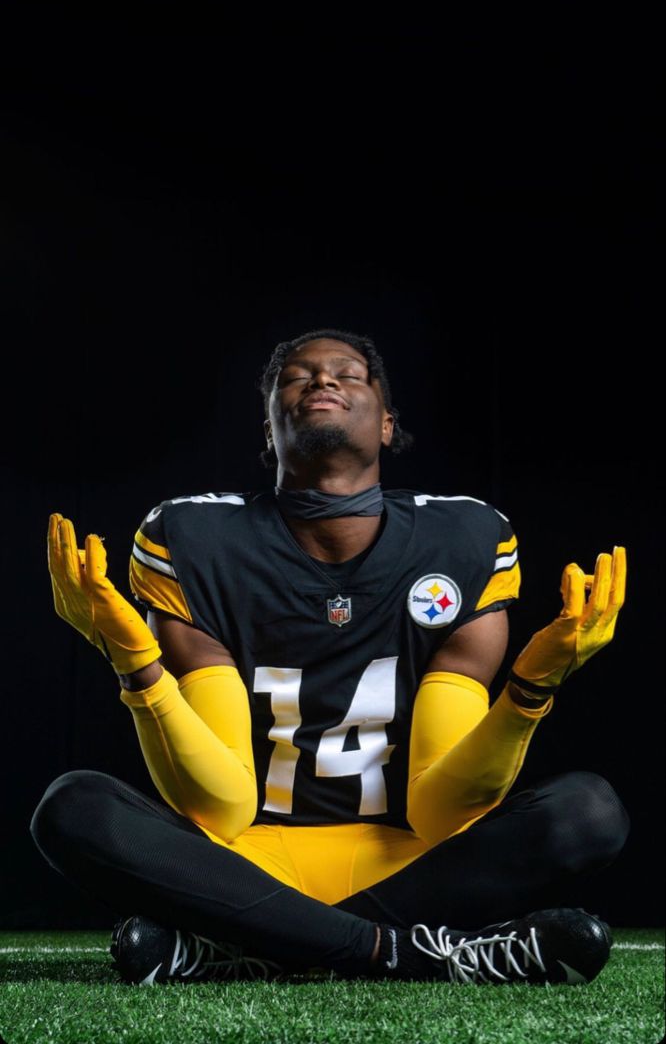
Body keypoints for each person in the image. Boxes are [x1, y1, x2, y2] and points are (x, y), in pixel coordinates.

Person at [31, 328, 629, 986]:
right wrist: (135, 664)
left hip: (412, 862)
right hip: (240, 862)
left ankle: (250, 950)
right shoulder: (196, 539)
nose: (323, 380)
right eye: (297, 376)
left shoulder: (463, 538)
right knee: (72, 807)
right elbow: (223, 806)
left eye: (350, 373)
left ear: (387, 423)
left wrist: (530, 690)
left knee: (589, 812)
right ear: (268, 427)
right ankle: (403, 953)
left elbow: (439, 810)